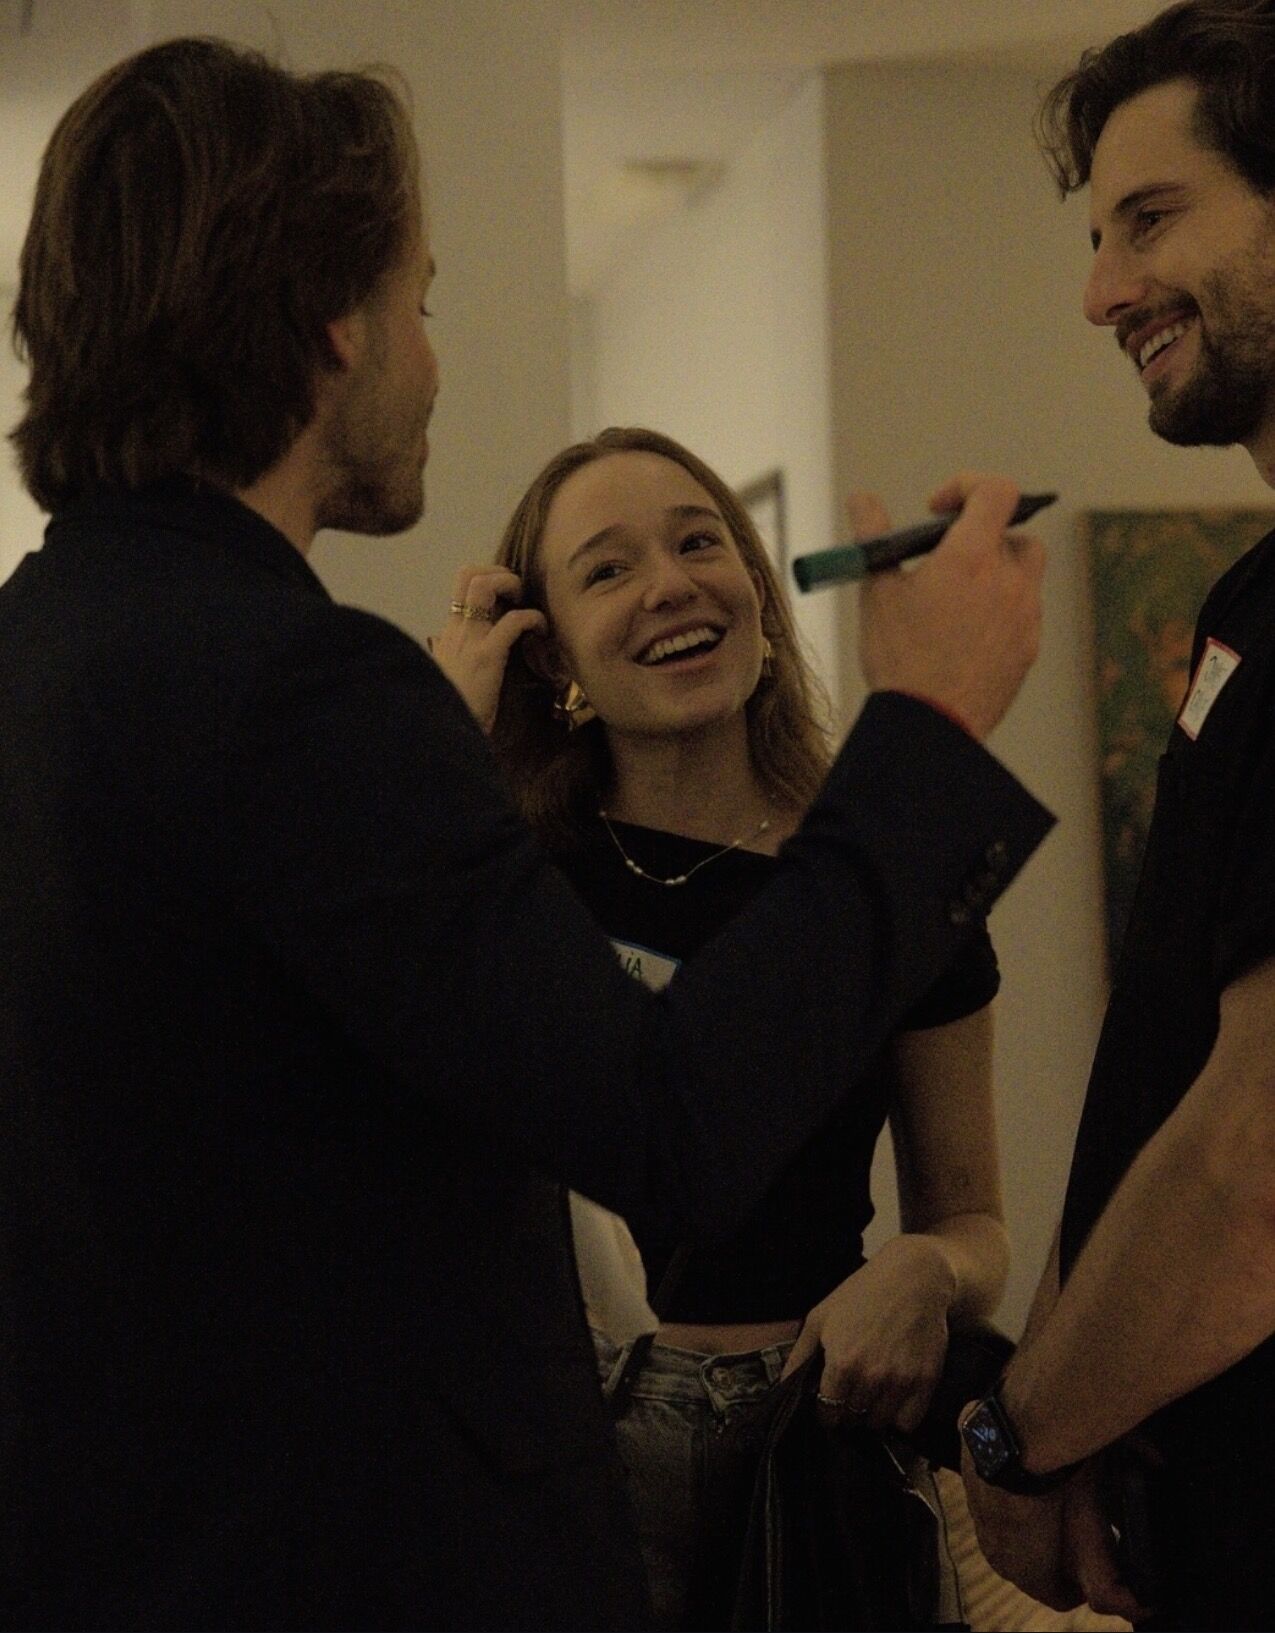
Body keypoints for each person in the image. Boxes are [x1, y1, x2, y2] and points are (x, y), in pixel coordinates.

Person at [0, 36, 1052, 1633]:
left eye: (699, 544)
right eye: (421, 300)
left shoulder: (43, 650)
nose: (430, 358)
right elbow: (670, 1125)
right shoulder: (297, 686)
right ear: (326, 326)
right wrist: (931, 733)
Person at [433, 425, 1012, 1629]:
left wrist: (925, 1266)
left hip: (815, 1446)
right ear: (548, 655)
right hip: (560, 1460)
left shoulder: (876, 885)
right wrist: (442, 757)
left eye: (701, 542)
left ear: (754, 583)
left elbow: (973, 1220)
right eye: (605, 569)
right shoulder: (508, 884)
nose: (669, 584)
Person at [956, 6, 1275, 1630]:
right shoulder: (1248, 609)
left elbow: (1251, 1168)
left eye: (1152, 217)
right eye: (1096, 237)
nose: (1099, 291)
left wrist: (1022, 1435)